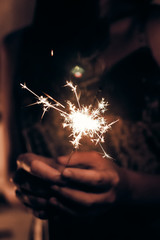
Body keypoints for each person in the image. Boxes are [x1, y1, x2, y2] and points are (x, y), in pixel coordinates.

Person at [14, 1, 160, 239]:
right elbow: (8, 175)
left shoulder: (152, 30)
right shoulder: (17, 47)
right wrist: (32, 185)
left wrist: (128, 187)